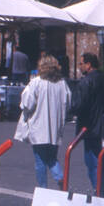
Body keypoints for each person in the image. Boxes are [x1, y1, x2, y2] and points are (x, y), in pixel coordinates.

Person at [14, 53, 71, 188]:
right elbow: (68, 103)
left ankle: (43, 188)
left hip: (39, 127)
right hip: (55, 128)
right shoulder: (62, 83)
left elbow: (27, 103)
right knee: (51, 158)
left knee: (40, 161)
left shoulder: (36, 82)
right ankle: (61, 178)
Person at [69, 52, 104, 192]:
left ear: (88, 64)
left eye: (81, 63)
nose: (79, 66)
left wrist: (71, 111)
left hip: (90, 128)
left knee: (92, 163)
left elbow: (77, 106)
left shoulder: (86, 82)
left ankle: (98, 190)